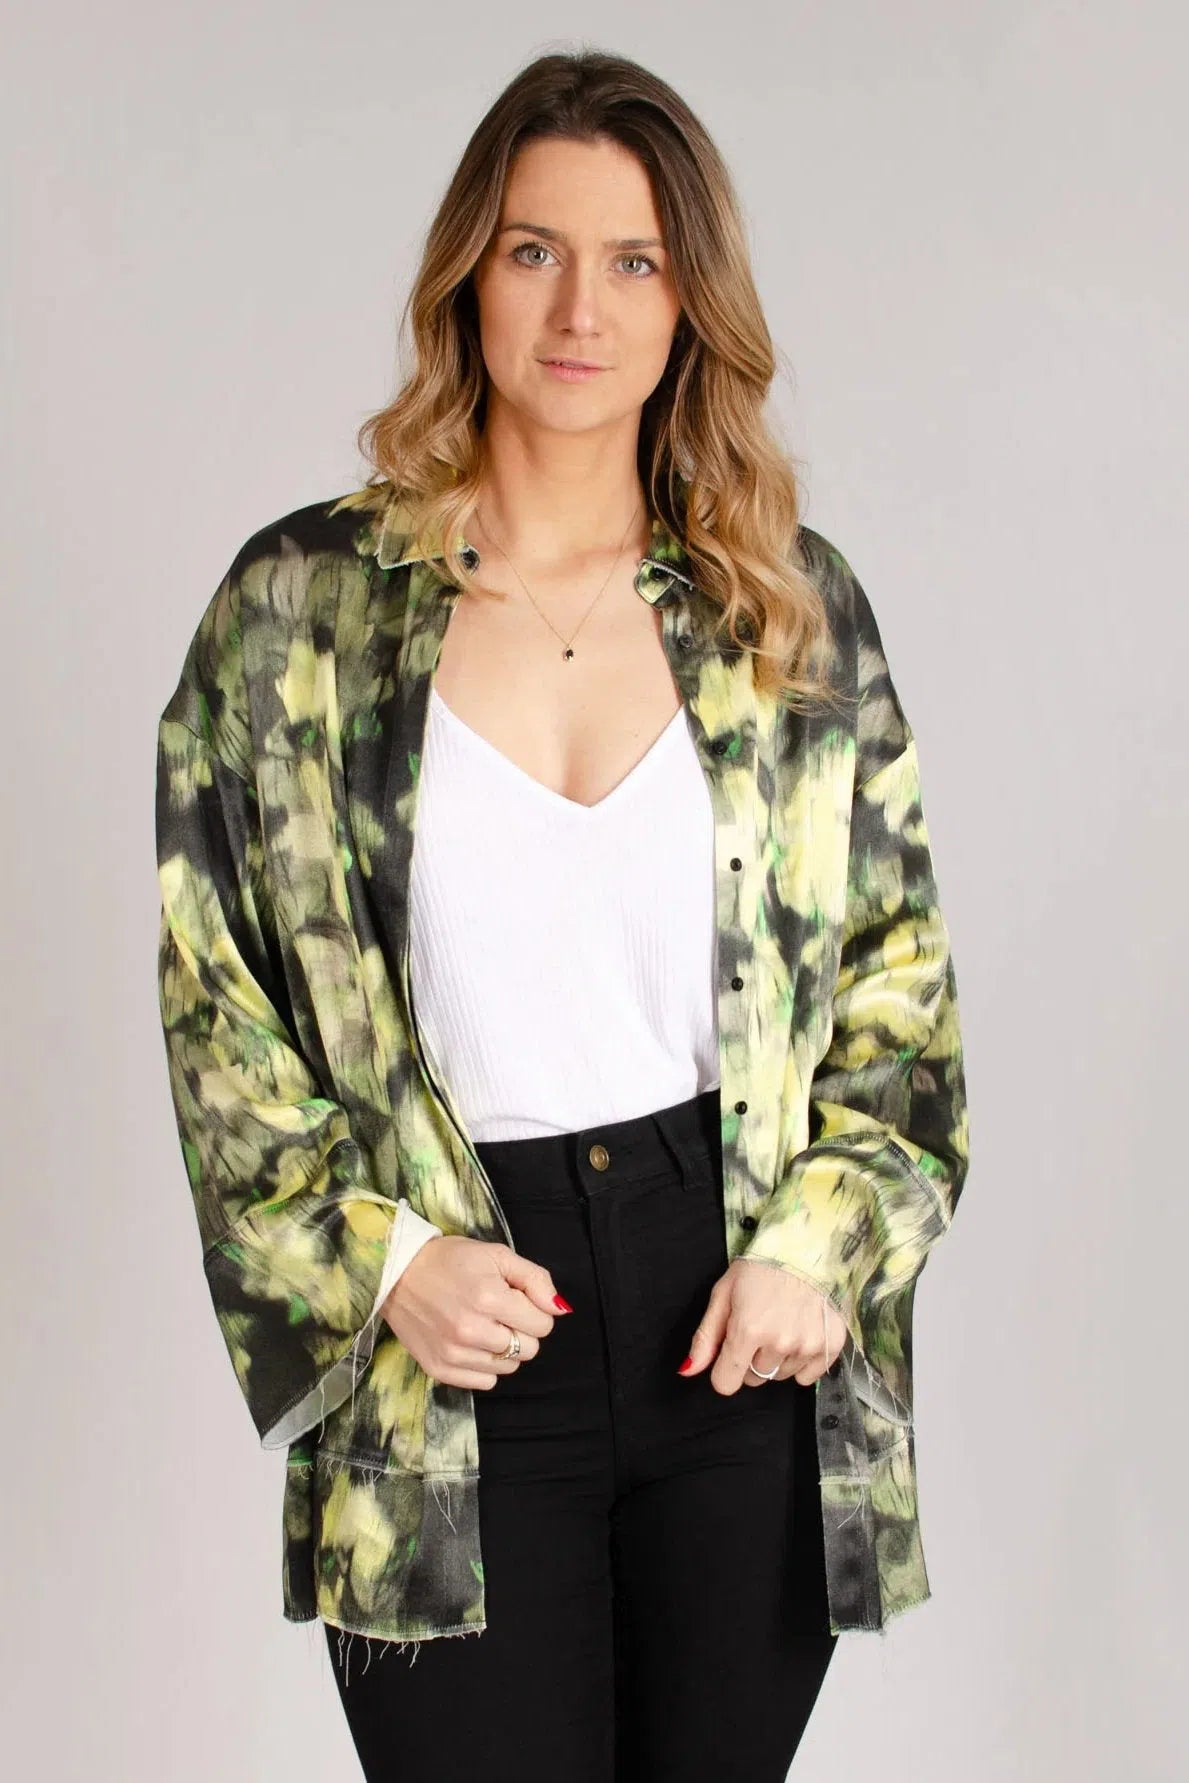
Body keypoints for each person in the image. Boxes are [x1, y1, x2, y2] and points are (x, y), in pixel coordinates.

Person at [155, 47, 970, 1783]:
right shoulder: (298, 612)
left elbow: (898, 987)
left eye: (633, 261)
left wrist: (821, 1244)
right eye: (533, 251)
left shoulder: (788, 612)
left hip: (730, 1311)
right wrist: (386, 1262)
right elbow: (214, 997)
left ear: (689, 303)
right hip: (456, 1316)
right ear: (469, 275)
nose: (579, 308)